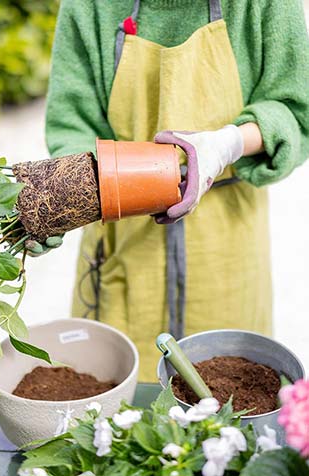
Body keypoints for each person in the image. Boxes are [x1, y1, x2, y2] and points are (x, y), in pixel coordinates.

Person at [39, 0, 309, 381]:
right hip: (123, 238)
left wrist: (228, 144)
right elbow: (73, 125)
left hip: (225, 244)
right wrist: (59, 199)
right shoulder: (90, 6)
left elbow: (297, 112)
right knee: (118, 414)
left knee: (228, 405)